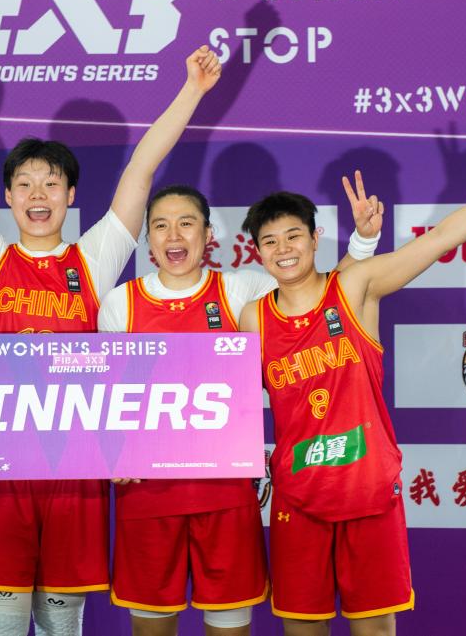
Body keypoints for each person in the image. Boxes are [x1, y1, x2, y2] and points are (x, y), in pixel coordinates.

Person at [0, 33, 224, 636]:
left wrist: (192, 89)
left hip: (73, 475)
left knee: (64, 628)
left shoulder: (93, 258)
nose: (38, 196)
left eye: (52, 184)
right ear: (7, 197)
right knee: (1, 627)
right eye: (26, 185)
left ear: (71, 196)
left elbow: (141, 170)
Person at [239, 137, 466, 636]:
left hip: (366, 489)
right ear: (256, 252)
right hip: (298, 496)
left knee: (375, 629)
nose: (283, 249)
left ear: (316, 238)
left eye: (293, 236)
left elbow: (439, 239)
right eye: (270, 241)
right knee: (301, 628)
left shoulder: (354, 287)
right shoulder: (253, 317)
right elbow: (224, 400)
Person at [96, 180, 381, 636]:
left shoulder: (242, 289)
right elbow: (108, 403)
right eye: (161, 226)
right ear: (148, 238)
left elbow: (323, 294)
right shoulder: (120, 303)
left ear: (208, 234)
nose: (174, 236)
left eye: (186, 223)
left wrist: (363, 242)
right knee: (150, 627)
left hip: (226, 492)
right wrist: (113, 453)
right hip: (148, 496)